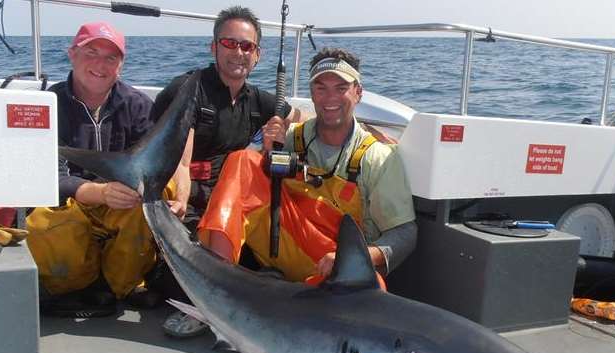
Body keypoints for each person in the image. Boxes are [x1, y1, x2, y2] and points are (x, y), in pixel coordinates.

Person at [198, 47, 417, 289]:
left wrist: (359, 257)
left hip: (334, 264)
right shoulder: (291, 137)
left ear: (358, 93)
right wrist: (267, 152)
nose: (330, 98)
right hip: (282, 243)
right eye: (321, 88)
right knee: (241, 161)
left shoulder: (378, 157)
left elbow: (404, 233)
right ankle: (214, 285)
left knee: (372, 286)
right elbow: (242, 188)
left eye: (341, 88)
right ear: (311, 93)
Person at [150, 6, 301, 336]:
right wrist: (181, 195)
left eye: (246, 46)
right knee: (179, 281)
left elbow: (297, 115)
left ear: (258, 55)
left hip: (227, 205)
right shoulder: (187, 89)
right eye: (229, 43)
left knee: (265, 266)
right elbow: (179, 159)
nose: (238, 53)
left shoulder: (257, 100)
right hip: (183, 200)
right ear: (213, 47)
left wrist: (282, 130)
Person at [27, 21, 190, 318]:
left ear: (121, 66)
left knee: (156, 193)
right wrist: (98, 192)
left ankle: (122, 285)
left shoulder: (138, 105)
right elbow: (46, 177)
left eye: (111, 57)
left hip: (122, 201)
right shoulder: (48, 106)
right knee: (46, 232)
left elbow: (166, 159)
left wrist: (182, 193)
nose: (100, 64)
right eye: (91, 52)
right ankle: (80, 284)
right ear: (72, 54)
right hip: (72, 202)